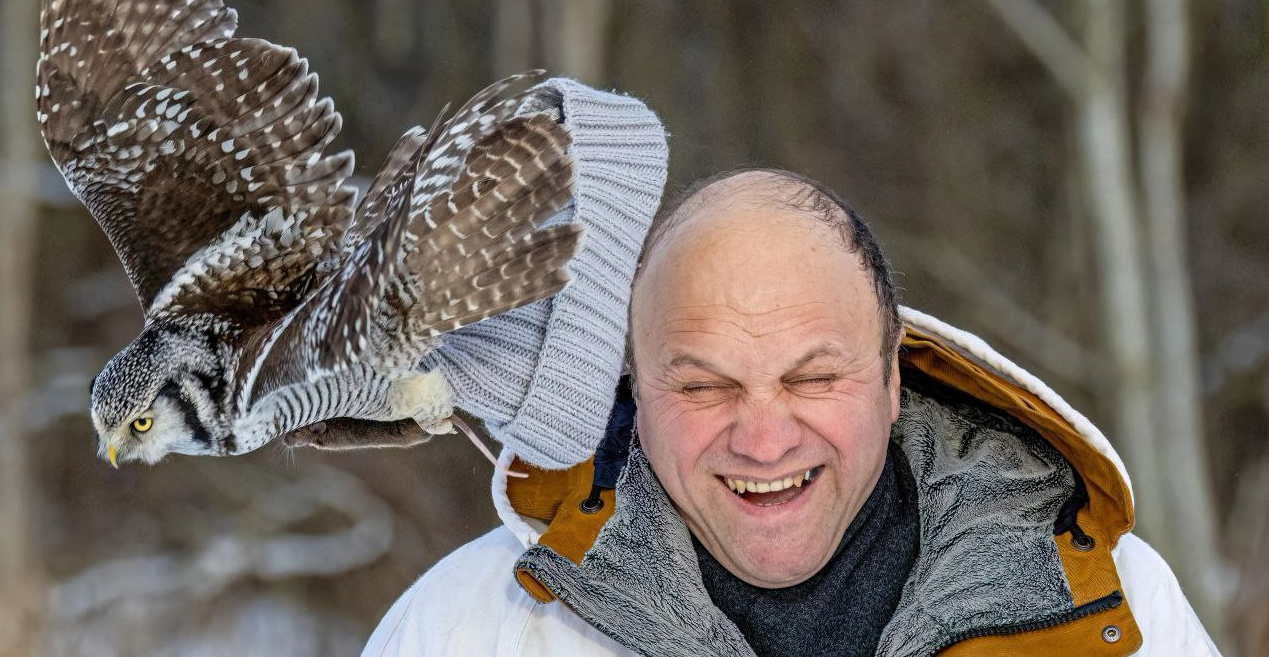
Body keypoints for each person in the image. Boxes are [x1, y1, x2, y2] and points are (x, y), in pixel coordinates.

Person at [363, 168, 1218, 656]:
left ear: (892, 376)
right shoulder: (472, 628)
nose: (764, 438)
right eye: (703, 385)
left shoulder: (1117, 611)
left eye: (812, 379)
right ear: (635, 388)